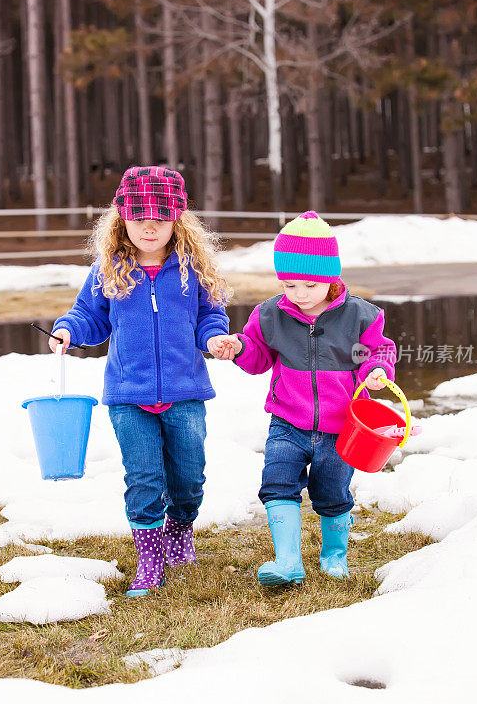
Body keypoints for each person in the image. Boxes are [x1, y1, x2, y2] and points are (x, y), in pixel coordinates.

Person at [49, 166, 231, 596]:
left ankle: (180, 529)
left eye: (160, 218)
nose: (149, 227)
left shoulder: (192, 269)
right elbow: (90, 318)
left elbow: (210, 317)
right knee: (144, 477)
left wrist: (216, 338)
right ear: (121, 219)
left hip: (185, 392)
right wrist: (69, 330)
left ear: (178, 220)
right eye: (138, 218)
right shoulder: (108, 270)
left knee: (188, 476)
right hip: (128, 395)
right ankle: (149, 558)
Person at [209, 210, 396, 586]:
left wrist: (376, 371)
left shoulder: (361, 316)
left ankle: (334, 555)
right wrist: (240, 346)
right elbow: (259, 357)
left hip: (341, 427)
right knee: (277, 482)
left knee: (332, 492)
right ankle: (288, 561)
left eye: (310, 286)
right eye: (289, 285)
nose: (299, 295)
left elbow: (377, 352)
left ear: (330, 278)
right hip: (287, 421)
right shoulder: (270, 315)